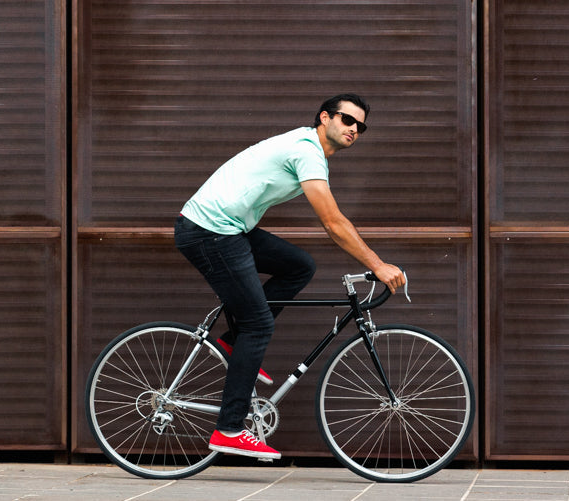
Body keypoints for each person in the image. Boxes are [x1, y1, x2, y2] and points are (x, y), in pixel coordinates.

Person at [174, 93, 407, 460]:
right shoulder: (306, 150)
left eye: (360, 126)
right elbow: (332, 222)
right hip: (209, 231)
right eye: (347, 120)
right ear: (324, 117)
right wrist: (377, 264)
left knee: (300, 265)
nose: (354, 130)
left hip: (229, 229)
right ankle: (230, 429)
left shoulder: (309, 151)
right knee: (259, 325)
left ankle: (233, 342)